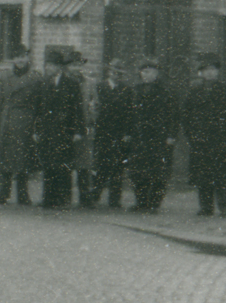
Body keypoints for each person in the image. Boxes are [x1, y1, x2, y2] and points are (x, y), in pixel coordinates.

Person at [182, 52, 226, 218]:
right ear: (201, 72)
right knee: (202, 175)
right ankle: (206, 207)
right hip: (200, 139)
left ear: (218, 71)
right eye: (206, 70)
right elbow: (187, 115)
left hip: (220, 139)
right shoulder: (194, 91)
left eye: (213, 69)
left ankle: (225, 206)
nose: (209, 73)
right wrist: (191, 135)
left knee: (221, 175)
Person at [35, 46, 87, 209]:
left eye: (51, 65)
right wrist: (36, 130)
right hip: (47, 130)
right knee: (48, 164)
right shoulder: (43, 83)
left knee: (63, 165)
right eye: (47, 65)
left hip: (65, 130)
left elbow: (77, 109)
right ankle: (48, 198)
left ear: (59, 67)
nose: (48, 68)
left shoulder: (71, 84)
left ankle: (63, 198)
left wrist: (78, 131)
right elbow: (38, 109)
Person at [0, 47, 42, 205]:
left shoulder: (35, 78)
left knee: (23, 160)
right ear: (13, 59)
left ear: (28, 58)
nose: (20, 60)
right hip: (7, 121)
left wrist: (37, 126)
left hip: (26, 121)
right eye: (17, 57)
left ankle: (23, 194)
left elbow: (40, 104)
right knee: (5, 160)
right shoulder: (4, 76)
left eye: (23, 56)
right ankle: (3, 193)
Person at [128, 57, 179, 213]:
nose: (145, 75)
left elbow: (173, 116)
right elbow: (129, 114)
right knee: (138, 171)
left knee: (158, 172)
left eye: (148, 72)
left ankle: (155, 203)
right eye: (143, 72)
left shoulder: (166, 91)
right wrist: (129, 133)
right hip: (139, 137)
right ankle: (141, 201)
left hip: (159, 137)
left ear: (156, 73)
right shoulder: (135, 90)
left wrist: (171, 135)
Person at [89, 58, 133, 208]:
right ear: (108, 72)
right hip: (103, 130)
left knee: (118, 167)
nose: (116, 75)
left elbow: (129, 112)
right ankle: (95, 195)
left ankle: (115, 199)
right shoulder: (99, 87)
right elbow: (94, 108)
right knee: (101, 164)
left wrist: (127, 132)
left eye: (119, 73)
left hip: (119, 132)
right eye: (114, 72)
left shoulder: (127, 89)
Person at [66, 49, 97, 207]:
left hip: (84, 127)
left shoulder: (89, 83)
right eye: (73, 65)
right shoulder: (64, 82)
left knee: (84, 165)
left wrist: (91, 119)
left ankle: (85, 197)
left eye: (79, 65)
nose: (76, 68)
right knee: (66, 163)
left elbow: (95, 105)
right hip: (66, 128)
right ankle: (65, 196)